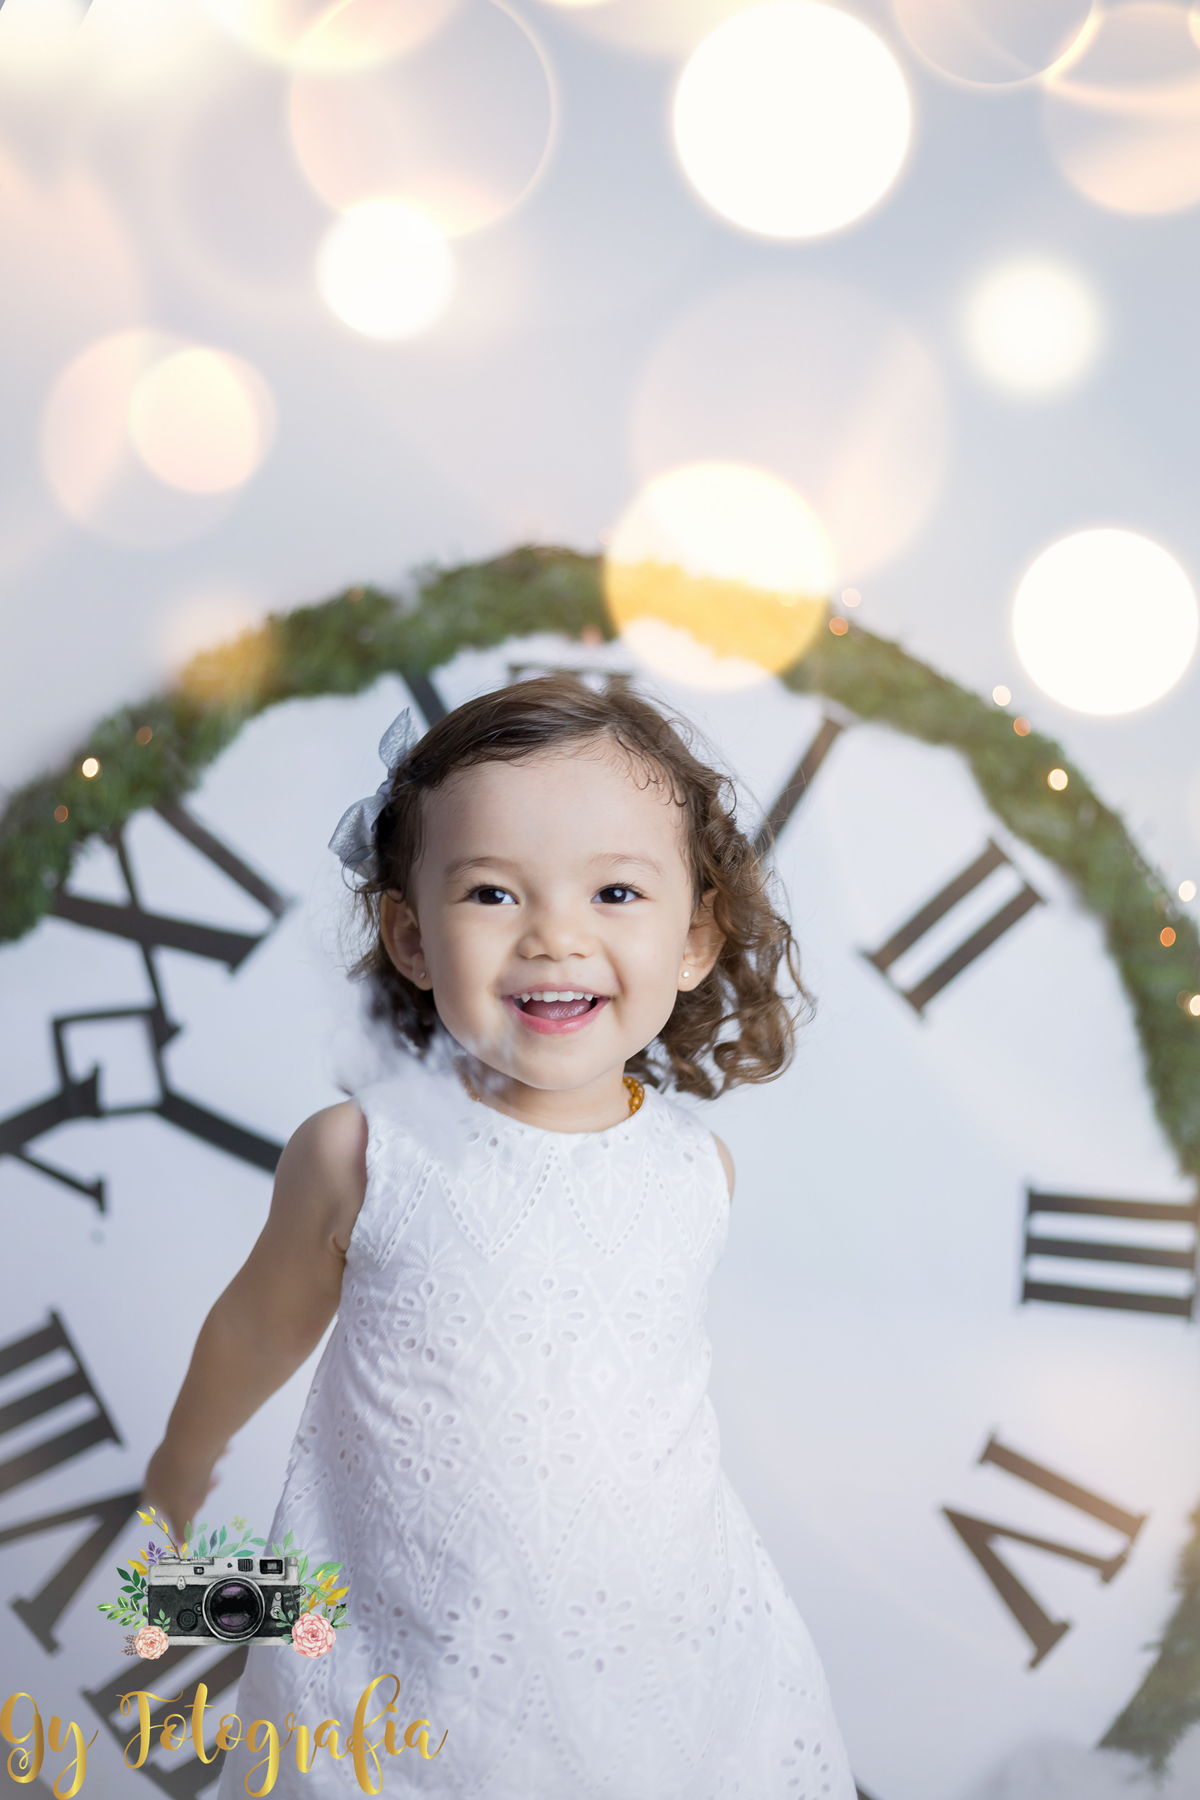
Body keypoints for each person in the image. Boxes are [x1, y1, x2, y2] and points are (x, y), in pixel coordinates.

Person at [143, 673, 855, 1798]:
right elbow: (251, 1330)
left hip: (663, 1652)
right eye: (490, 895)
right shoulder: (361, 1156)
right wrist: (177, 1480)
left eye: (616, 893)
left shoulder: (695, 1171)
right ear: (411, 936)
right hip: (401, 1647)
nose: (554, 937)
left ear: (696, 939)